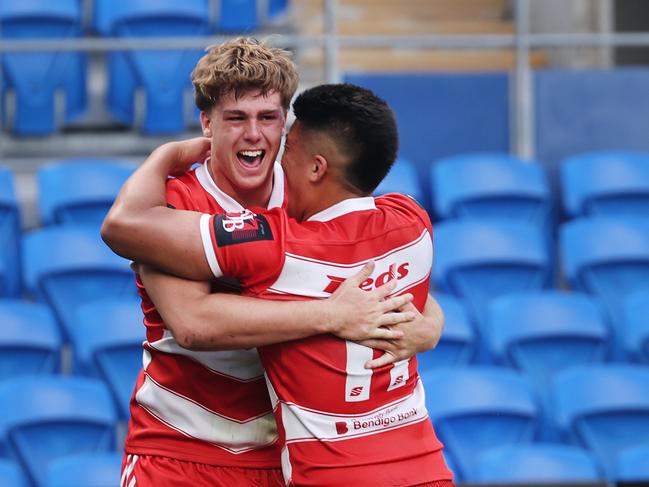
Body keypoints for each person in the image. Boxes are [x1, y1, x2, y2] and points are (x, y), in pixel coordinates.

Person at [103, 38, 444, 486]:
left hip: (279, 456)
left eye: (268, 118)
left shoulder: (308, 189)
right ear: (206, 123)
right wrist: (332, 315)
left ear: (286, 124)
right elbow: (191, 324)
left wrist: (427, 325)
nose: (253, 134)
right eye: (235, 118)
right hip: (181, 448)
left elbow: (380, 270)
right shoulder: (174, 205)